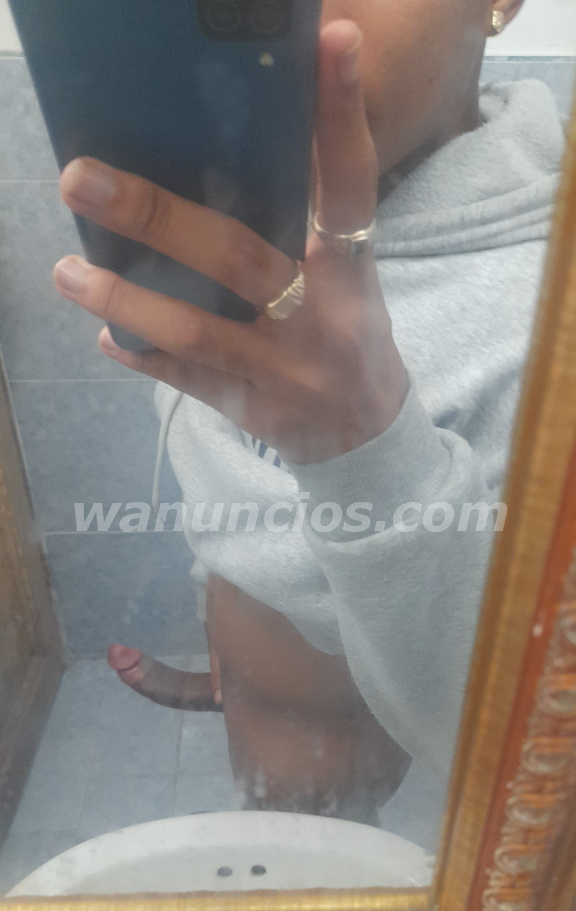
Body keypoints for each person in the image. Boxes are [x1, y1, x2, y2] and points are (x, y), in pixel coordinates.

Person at [52, 0, 564, 826]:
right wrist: (230, 637)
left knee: (316, 839)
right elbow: (227, 465)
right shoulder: (227, 196)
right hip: (249, 650)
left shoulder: (547, 310)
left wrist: (365, 445)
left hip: (353, 739)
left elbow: (524, 770)